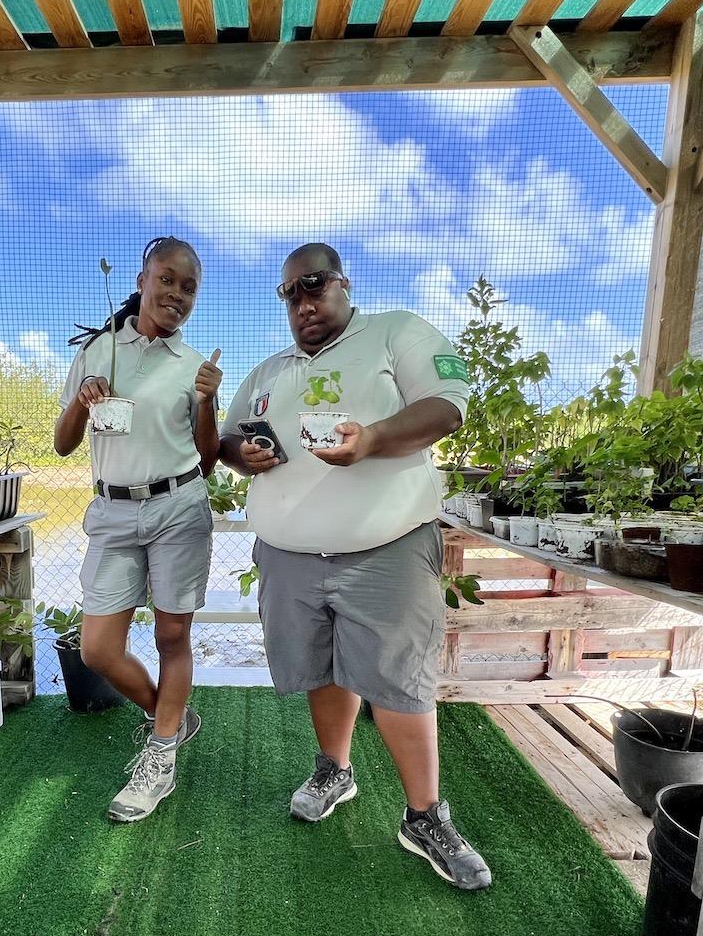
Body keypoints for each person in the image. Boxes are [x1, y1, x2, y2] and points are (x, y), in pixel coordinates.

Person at [218, 242, 492, 890]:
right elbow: (228, 439)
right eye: (289, 292)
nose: (303, 301)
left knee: (401, 681)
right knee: (322, 666)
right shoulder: (267, 373)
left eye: (314, 285)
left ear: (343, 283)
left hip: (387, 548)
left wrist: (370, 438)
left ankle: (424, 815)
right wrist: (241, 453)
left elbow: (450, 404)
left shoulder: (395, 332)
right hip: (290, 557)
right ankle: (334, 771)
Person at [55, 236, 223, 823]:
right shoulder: (99, 351)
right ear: (144, 278)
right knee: (98, 647)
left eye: (189, 287)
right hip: (112, 512)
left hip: (179, 507)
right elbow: (63, 443)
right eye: (168, 279)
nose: (176, 293)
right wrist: (82, 400)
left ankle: (158, 755)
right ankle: (169, 720)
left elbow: (205, 457)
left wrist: (208, 401)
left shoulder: (192, 366)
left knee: (172, 638)